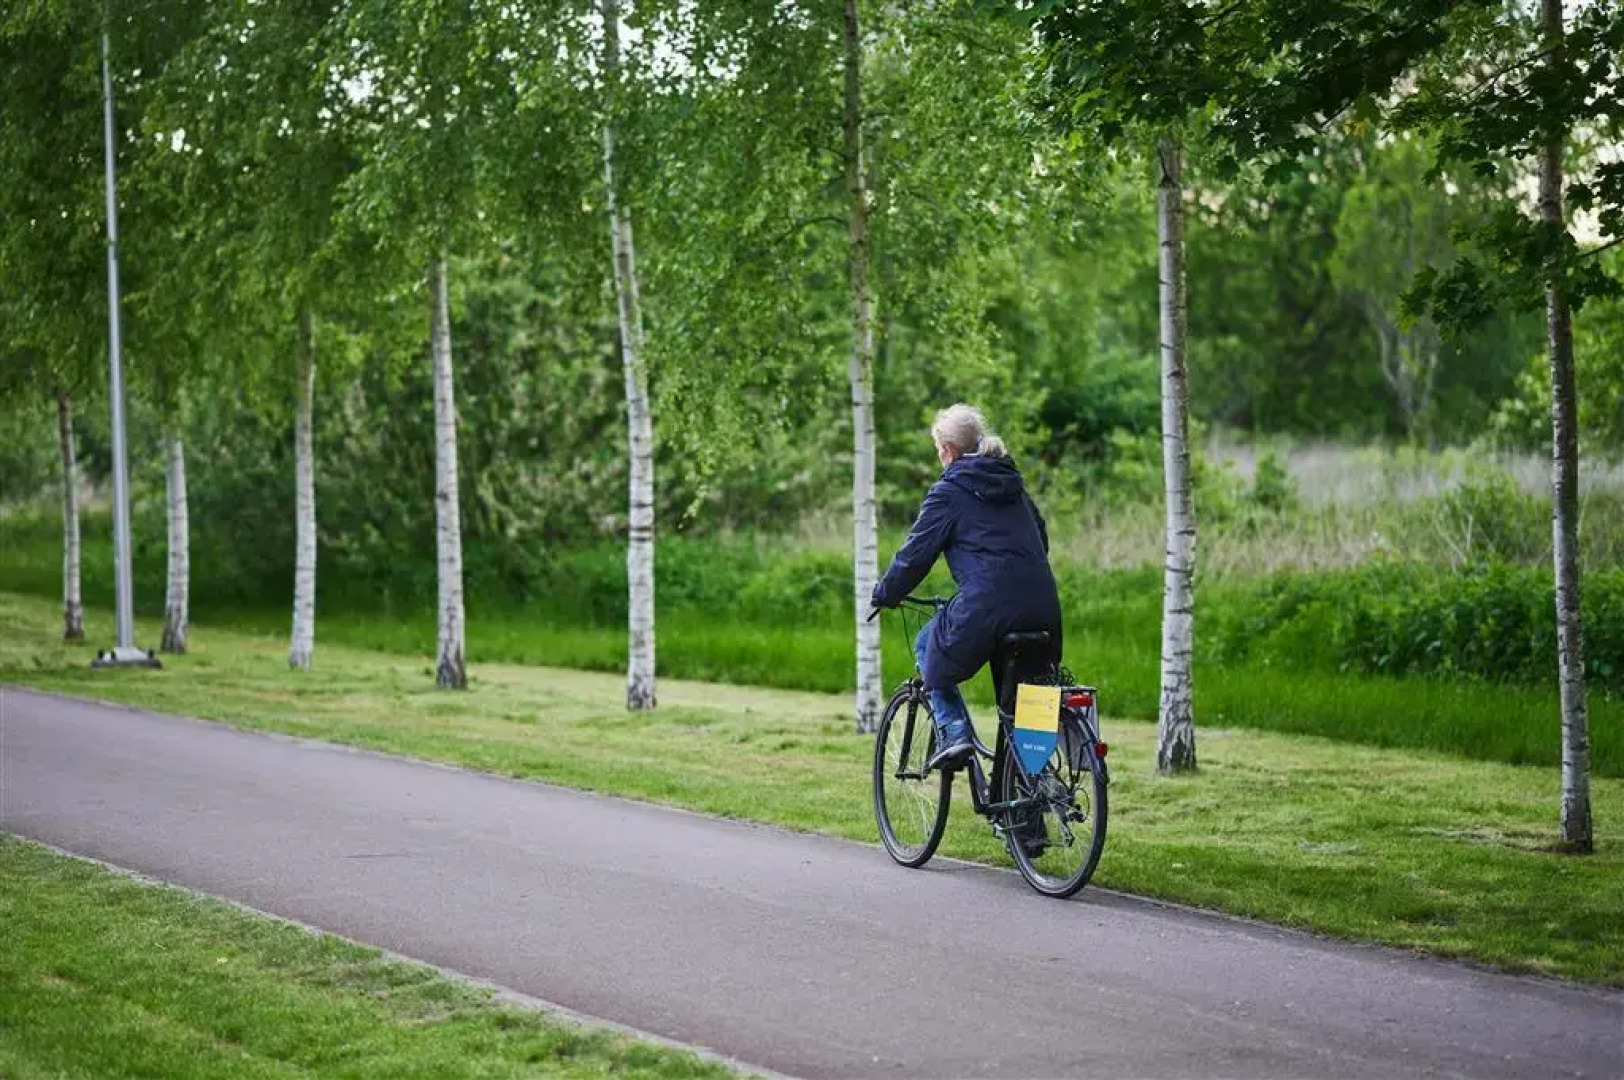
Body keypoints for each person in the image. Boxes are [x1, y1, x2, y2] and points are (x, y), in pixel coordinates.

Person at [871, 403, 1062, 768]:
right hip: (1042, 605)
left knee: (928, 643)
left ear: (947, 450)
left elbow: (915, 555)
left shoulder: (950, 491)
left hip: (988, 606)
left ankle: (954, 732)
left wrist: (886, 593)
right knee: (1027, 703)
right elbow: (1040, 538)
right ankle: (1029, 806)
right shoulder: (1013, 483)